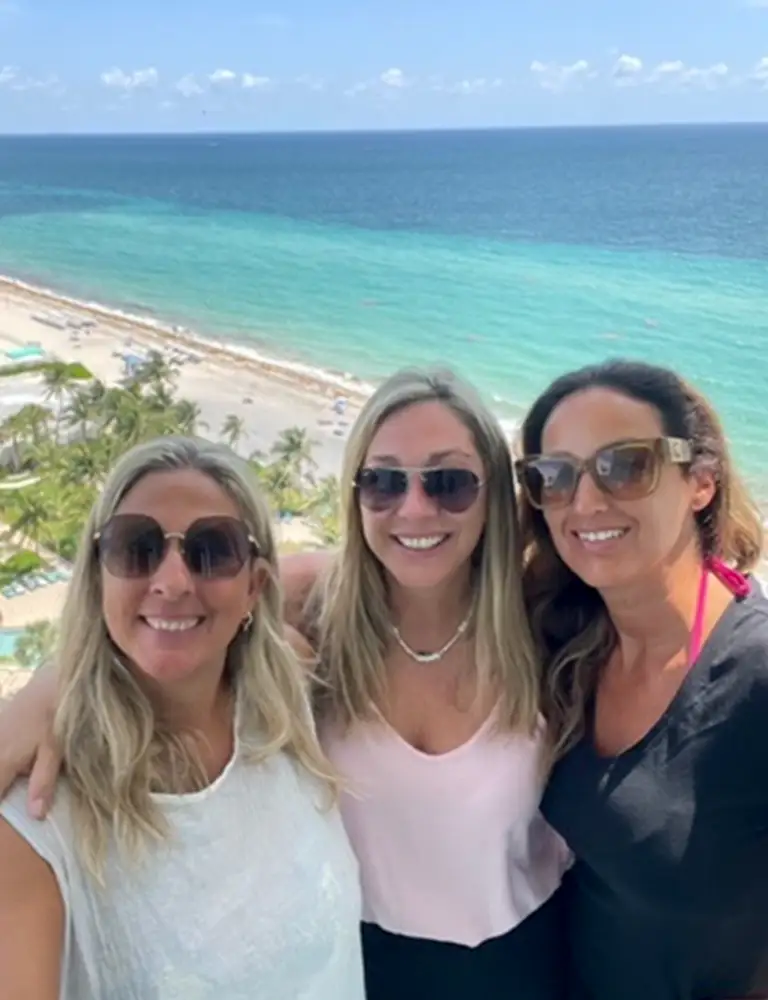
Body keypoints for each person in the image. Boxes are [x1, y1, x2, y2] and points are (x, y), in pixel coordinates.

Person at [0, 369, 570, 1000]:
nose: (414, 508)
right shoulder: (320, 628)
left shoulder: (545, 621)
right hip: (361, 960)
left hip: (520, 961)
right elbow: (164, 617)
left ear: (495, 496)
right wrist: (53, 689)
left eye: (449, 482)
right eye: (382, 482)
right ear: (355, 495)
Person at [0, 436, 364, 1000]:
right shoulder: (41, 815)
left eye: (213, 550)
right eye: (136, 546)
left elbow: (388, 567)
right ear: (97, 578)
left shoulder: (286, 700)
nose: (172, 582)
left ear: (255, 587)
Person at [514, 359, 768, 1000]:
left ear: (701, 482)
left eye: (626, 466)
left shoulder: (756, 676)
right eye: (555, 475)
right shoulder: (562, 635)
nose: (586, 501)